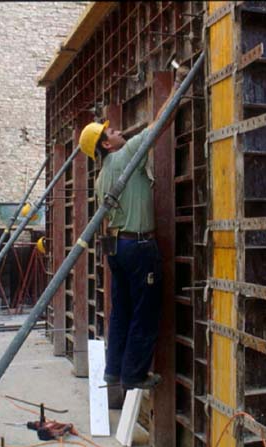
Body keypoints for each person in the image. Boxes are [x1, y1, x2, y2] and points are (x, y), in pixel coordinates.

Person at [78, 65, 189, 390]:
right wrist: (178, 86)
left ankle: (114, 370)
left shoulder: (101, 177)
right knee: (145, 310)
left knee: (122, 310)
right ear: (107, 145)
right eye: (111, 131)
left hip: (116, 249)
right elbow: (160, 124)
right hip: (138, 248)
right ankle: (134, 375)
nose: (117, 131)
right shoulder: (126, 155)